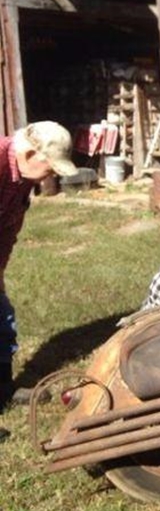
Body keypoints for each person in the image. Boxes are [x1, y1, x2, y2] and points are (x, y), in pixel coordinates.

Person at [0, 121, 78, 413]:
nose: (51, 176)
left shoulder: (21, 181)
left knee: (2, 315)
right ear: (32, 155)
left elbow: (7, 231)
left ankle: (2, 389)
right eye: (51, 168)